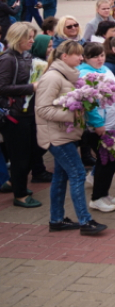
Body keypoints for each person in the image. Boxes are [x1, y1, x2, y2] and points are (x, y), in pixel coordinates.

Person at [36, 40, 108, 234]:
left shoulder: (68, 75)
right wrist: (72, 115)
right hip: (57, 136)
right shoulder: (53, 77)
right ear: (64, 56)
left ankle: (56, 220)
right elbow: (42, 109)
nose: (81, 58)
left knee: (61, 177)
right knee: (77, 174)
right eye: (77, 54)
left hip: (66, 134)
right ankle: (85, 222)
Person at [0, 22, 51, 207]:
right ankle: (19, 195)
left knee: (33, 151)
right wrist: (32, 87)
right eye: (28, 37)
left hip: (28, 112)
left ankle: (14, 183)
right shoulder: (8, 58)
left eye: (32, 37)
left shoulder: (26, 55)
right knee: (20, 156)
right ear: (17, 38)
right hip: (14, 115)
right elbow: (2, 87)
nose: (32, 41)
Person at [78, 42, 115, 213]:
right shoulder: (85, 74)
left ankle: (104, 193)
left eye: (102, 55)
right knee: (106, 160)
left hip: (112, 123)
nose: (100, 59)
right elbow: (89, 103)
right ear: (86, 58)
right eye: (95, 56)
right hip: (99, 126)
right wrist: (97, 124)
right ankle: (96, 198)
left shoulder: (105, 69)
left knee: (112, 159)